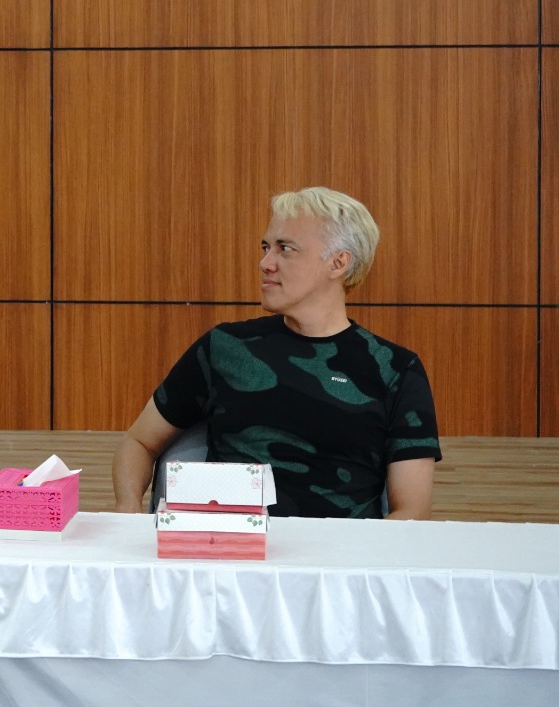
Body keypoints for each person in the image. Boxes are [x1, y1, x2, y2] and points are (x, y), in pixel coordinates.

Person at [112, 187, 441, 519]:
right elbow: (139, 442)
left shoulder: (396, 370)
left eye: (285, 249)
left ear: (338, 263)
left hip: (339, 549)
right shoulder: (224, 346)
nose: (265, 263)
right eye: (266, 248)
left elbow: (412, 510)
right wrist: (128, 509)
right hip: (231, 545)